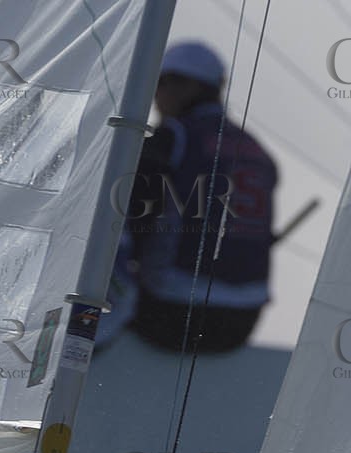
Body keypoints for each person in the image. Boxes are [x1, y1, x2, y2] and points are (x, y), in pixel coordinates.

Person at [102, 41, 276, 353]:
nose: (156, 95)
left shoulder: (174, 136)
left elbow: (130, 217)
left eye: (163, 83)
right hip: (244, 320)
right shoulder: (256, 149)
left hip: (175, 312)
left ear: (189, 86)